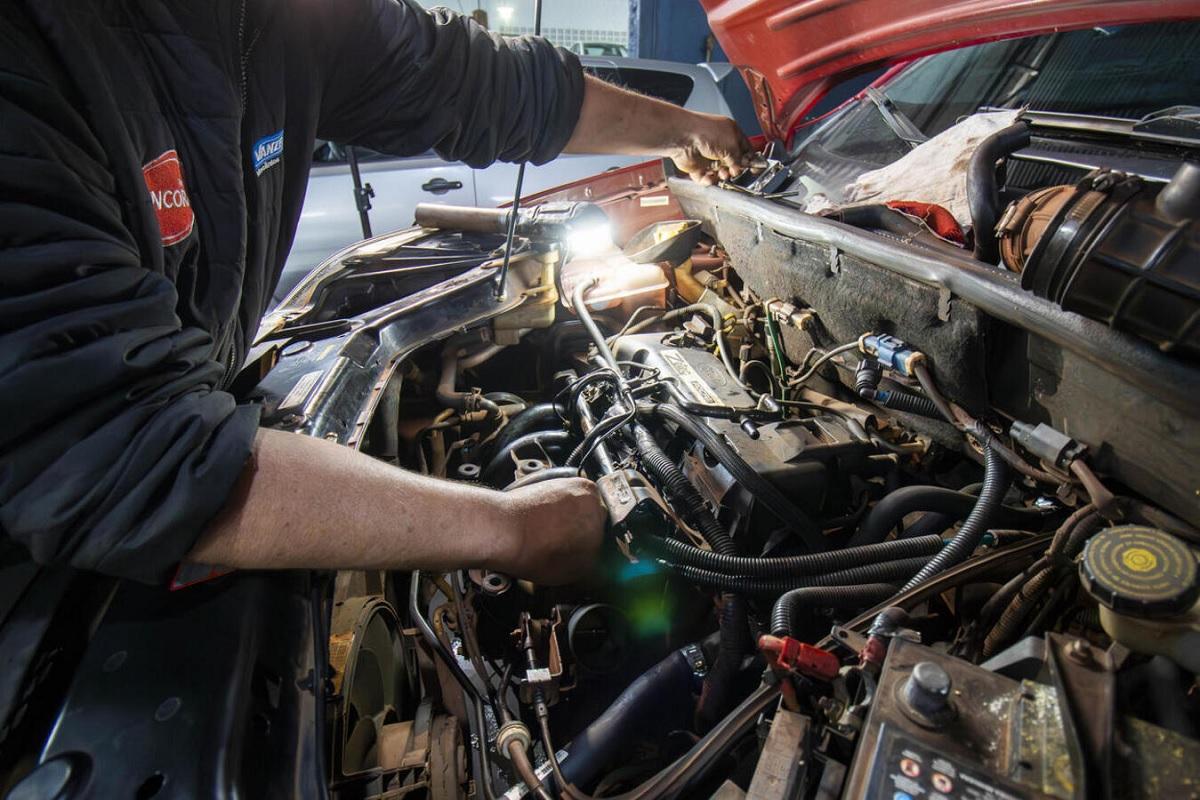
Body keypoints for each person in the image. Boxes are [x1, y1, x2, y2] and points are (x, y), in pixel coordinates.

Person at [0, 0, 756, 591]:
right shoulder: (33, 48)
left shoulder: (276, 21)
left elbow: (480, 83)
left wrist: (681, 131)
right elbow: (102, 445)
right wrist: (509, 530)